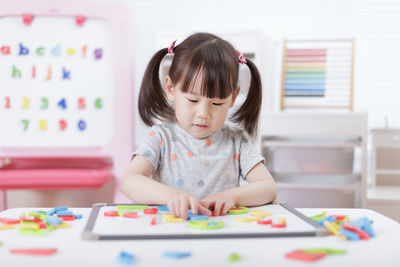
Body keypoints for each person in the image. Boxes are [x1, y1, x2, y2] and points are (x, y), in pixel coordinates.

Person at [122, 32, 276, 220]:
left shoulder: (236, 141)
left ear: (233, 98)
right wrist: (172, 196)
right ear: (171, 89)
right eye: (193, 99)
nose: (204, 113)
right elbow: (130, 181)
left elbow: (268, 188)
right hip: (171, 231)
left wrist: (230, 197)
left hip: (218, 233)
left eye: (217, 103)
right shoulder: (160, 138)